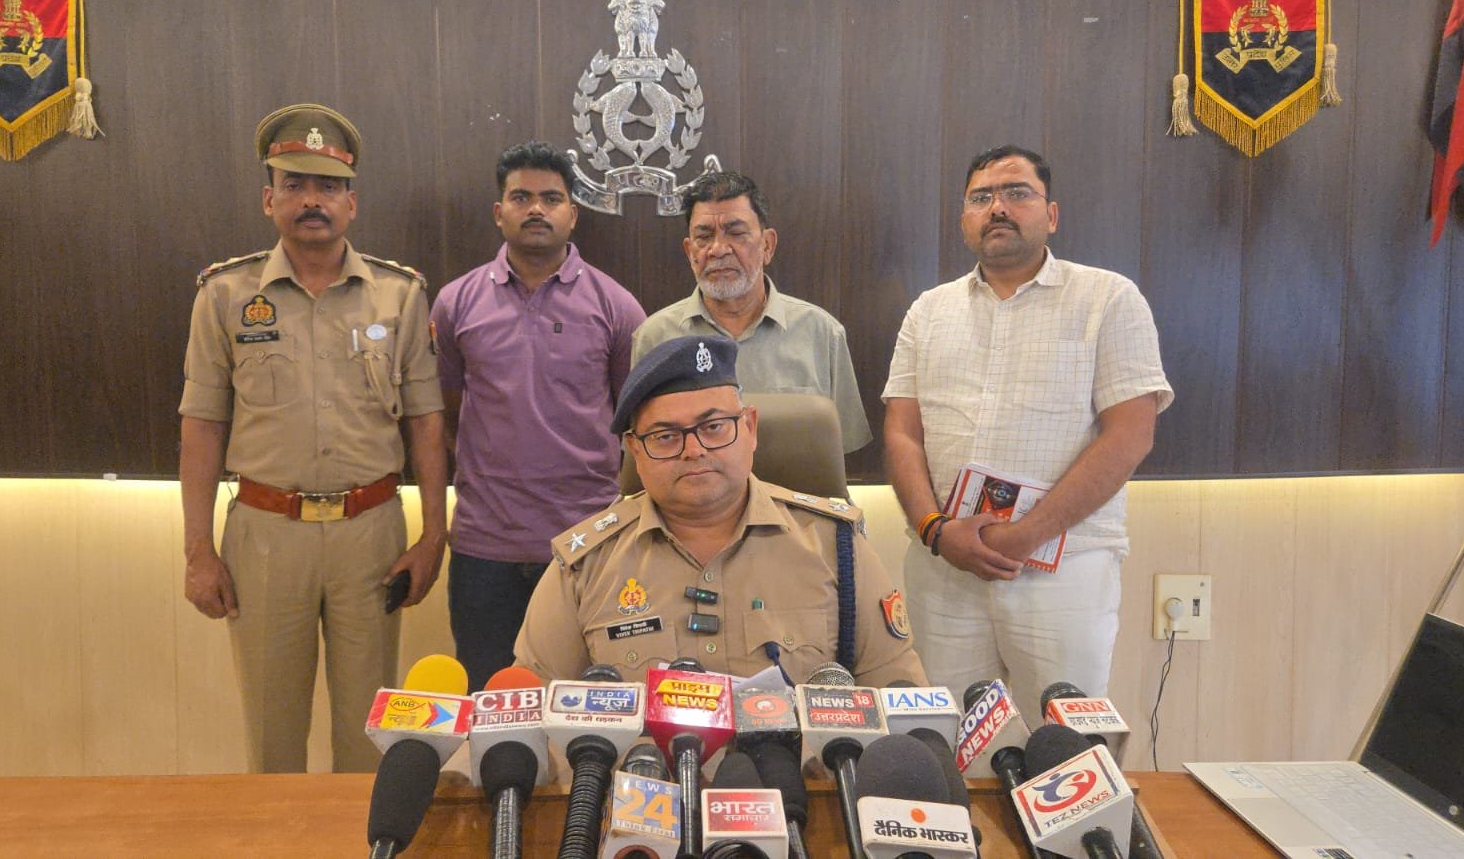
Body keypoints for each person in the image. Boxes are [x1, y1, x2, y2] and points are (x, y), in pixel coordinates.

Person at [178, 104, 447, 773]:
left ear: (351, 203)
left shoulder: (399, 295)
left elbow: (425, 421)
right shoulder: (225, 295)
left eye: (328, 186)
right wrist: (197, 551)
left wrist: (433, 536)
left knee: (367, 739)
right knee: (273, 737)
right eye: (294, 184)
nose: (311, 201)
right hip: (266, 536)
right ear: (269, 199)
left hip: (372, 535)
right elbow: (202, 424)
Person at [882, 145, 1172, 710]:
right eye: (981, 198)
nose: (997, 208)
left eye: (1017, 193)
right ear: (964, 218)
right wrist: (935, 529)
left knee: (1063, 738)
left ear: (1051, 215)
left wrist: (1028, 533)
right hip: (946, 568)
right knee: (945, 736)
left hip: (1064, 567)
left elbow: (1130, 435)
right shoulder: (928, 311)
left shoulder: (1108, 299)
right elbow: (902, 432)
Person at [514, 335, 923, 687]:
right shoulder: (587, 565)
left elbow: (897, 696)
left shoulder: (836, 546)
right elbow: (531, 712)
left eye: (713, 428)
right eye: (665, 436)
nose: (694, 451)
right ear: (635, 450)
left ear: (750, 428)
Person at [430, 141, 645, 688]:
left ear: (573, 214)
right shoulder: (456, 303)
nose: (535, 210)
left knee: (591, 707)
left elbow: (634, 424)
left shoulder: (616, 306)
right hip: (485, 548)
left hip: (589, 546)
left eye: (551, 198)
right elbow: (446, 412)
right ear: (498, 211)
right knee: (491, 703)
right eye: (520, 197)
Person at [631, 171, 872, 454]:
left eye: (736, 233)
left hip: (791, 485)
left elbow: (842, 452)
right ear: (689, 252)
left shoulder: (822, 334)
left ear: (767, 245)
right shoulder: (655, 337)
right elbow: (643, 452)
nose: (718, 249)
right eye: (704, 237)